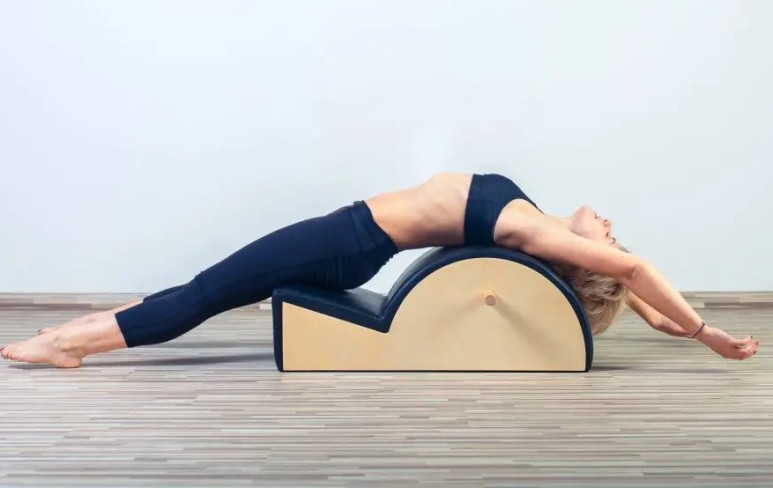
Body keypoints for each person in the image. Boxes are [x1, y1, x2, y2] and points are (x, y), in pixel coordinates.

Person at [0, 172, 758, 368]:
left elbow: (627, 267)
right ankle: (78, 334)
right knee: (208, 286)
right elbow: (627, 279)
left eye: (610, 240)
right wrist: (663, 320)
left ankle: (69, 344)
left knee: (207, 292)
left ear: (582, 259)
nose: (611, 226)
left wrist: (703, 332)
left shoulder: (532, 231)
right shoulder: (540, 223)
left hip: (346, 245)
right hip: (347, 236)